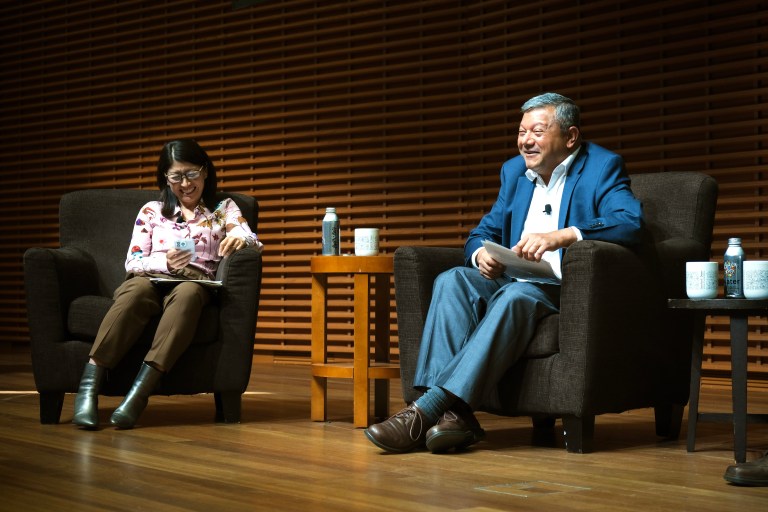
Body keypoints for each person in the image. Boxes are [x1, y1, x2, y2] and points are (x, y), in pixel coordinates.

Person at [364, 92, 644, 453]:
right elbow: (483, 231)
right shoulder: (514, 172)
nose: (526, 140)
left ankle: (425, 412)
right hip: (513, 277)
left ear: (570, 136)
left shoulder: (602, 166)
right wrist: (481, 253)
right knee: (451, 280)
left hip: (563, 288)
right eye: (521, 131)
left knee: (516, 295)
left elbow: (630, 223)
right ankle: (455, 418)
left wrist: (565, 235)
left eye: (538, 131)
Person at [72, 139, 263, 430]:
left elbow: (252, 240)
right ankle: (87, 391)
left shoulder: (222, 209)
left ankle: (138, 395)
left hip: (196, 284)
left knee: (187, 293)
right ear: (165, 177)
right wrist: (165, 264)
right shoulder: (152, 210)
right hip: (150, 278)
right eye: (176, 176)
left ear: (205, 171)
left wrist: (242, 238)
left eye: (191, 174)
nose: (185, 183)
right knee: (135, 291)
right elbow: (133, 262)